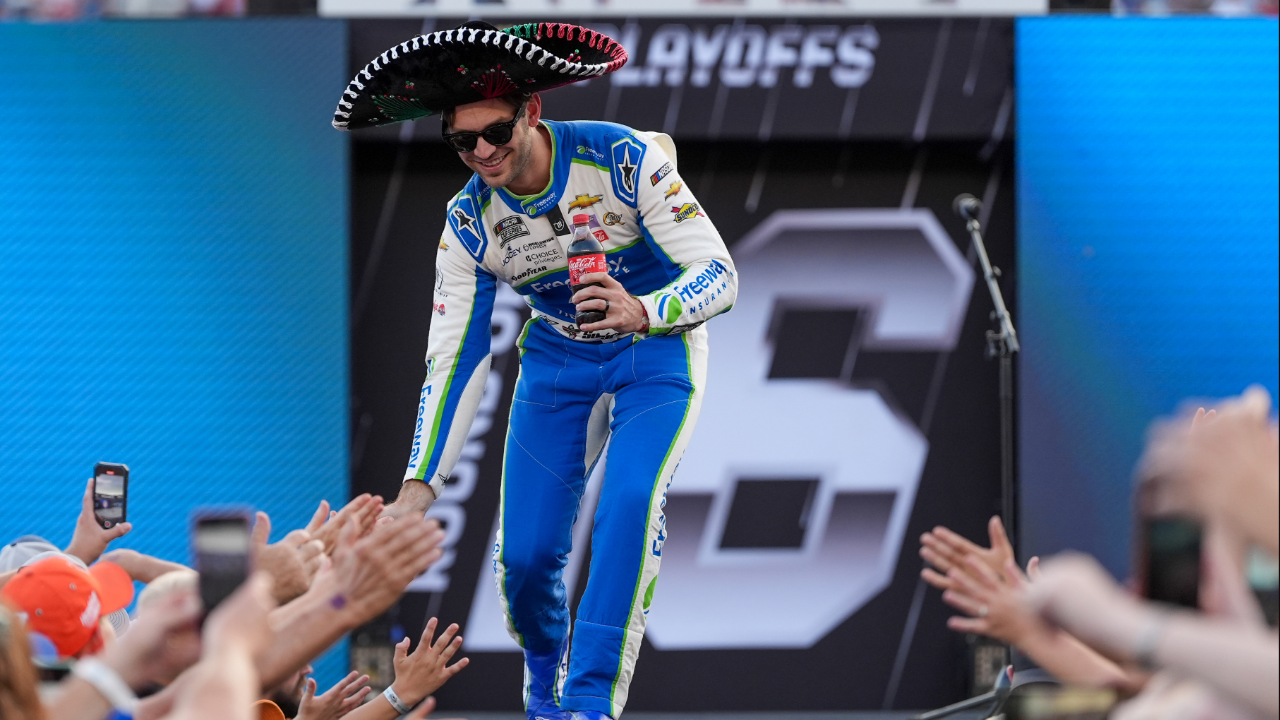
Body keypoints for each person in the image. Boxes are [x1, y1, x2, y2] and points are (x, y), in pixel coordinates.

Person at [332, 20, 737, 720]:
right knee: (523, 560)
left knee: (628, 506)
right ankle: (543, 680)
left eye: (496, 132)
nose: (483, 152)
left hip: (657, 343)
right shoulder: (467, 223)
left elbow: (720, 274)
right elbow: (454, 359)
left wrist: (645, 309)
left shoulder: (622, 157)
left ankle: (590, 703)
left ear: (533, 112)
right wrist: (417, 492)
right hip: (556, 353)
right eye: (463, 141)